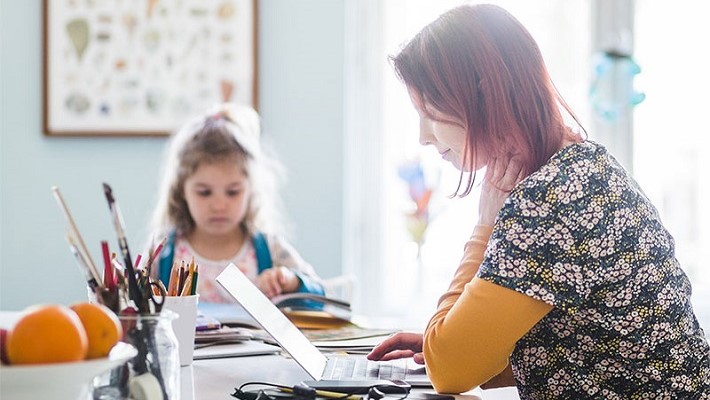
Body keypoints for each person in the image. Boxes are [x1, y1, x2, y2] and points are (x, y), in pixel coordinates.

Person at [367, 4, 710, 398]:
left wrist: (484, 226)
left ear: (483, 96)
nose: (424, 136)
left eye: (429, 112)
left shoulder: (549, 200)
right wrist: (453, 339)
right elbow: (592, 348)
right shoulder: (582, 165)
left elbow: (449, 371)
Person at [147, 103, 324, 303]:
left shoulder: (269, 248)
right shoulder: (163, 252)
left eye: (233, 192)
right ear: (181, 191)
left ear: (251, 190)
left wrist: (291, 282)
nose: (219, 205)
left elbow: (320, 296)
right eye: (204, 192)